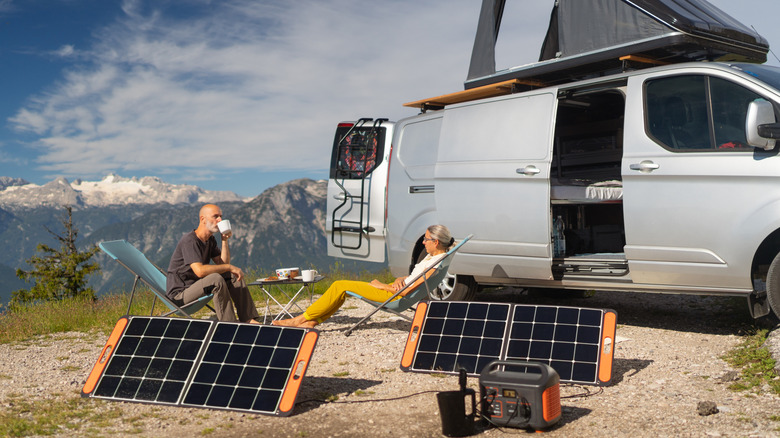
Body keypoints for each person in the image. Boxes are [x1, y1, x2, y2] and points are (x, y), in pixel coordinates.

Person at [273, 224, 455, 328]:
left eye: (426, 239)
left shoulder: (433, 264)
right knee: (342, 289)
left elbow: (407, 290)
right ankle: (312, 320)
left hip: (392, 296)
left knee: (339, 285)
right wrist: (399, 279)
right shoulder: (437, 257)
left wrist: (381, 285)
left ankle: (299, 319)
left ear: (436, 241)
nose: (423, 242)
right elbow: (411, 280)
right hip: (395, 289)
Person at [166, 204, 260, 324]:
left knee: (232, 276)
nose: (220, 220)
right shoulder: (190, 240)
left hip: (197, 287)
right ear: (202, 219)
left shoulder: (210, 240)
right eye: (215, 216)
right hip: (179, 296)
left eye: (221, 216)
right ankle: (229, 325)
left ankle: (248, 318)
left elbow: (224, 266)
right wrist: (229, 267)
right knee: (215, 278)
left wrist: (224, 241)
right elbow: (200, 271)